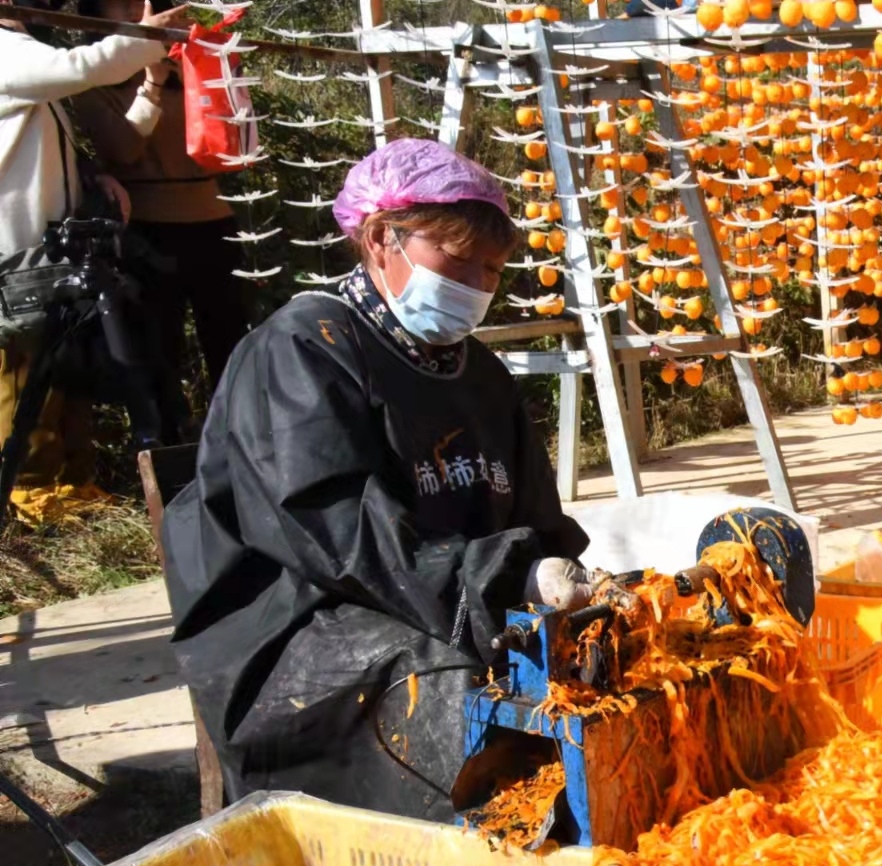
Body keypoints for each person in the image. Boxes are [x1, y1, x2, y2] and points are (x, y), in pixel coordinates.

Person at [162, 139, 592, 821]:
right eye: (459, 262)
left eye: (491, 270)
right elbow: (338, 533)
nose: (477, 287)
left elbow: (532, 522)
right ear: (381, 238)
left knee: (600, 668)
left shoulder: (478, 374)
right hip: (300, 626)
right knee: (449, 693)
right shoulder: (302, 350)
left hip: (442, 602)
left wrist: (560, 579)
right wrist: (504, 581)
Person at [0, 0, 180, 518]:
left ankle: (74, 483)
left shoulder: (23, 53)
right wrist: (143, 37)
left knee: (65, 367)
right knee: (24, 369)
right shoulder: (6, 52)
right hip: (17, 247)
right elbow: (80, 68)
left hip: (51, 244)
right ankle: (29, 492)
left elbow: (45, 137)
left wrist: (90, 175)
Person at [67, 0, 250, 399]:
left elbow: (231, 145)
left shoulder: (191, 67)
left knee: (233, 349)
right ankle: (168, 450)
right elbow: (122, 150)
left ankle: (241, 445)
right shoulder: (91, 81)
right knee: (158, 356)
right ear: (95, 17)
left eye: (140, 1)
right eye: (119, 5)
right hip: (147, 232)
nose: (135, 11)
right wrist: (151, 85)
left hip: (213, 222)